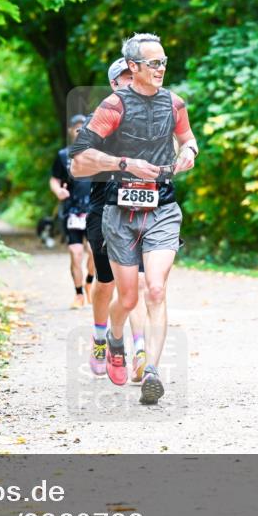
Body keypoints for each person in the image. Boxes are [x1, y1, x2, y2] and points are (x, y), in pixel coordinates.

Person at [70, 34, 199, 405]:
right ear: (133, 68)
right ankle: (113, 338)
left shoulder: (175, 103)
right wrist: (124, 164)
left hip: (162, 207)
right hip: (118, 210)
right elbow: (79, 161)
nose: (161, 69)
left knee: (155, 290)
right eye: (154, 63)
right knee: (126, 298)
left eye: (164, 62)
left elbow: (189, 138)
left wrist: (190, 151)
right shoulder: (112, 106)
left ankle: (153, 372)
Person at [85, 58, 150, 383]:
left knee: (136, 283)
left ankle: (140, 351)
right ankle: (100, 339)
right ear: (114, 84)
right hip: (103, 208)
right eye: (125, 79)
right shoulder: (103, 117)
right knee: (106, 282)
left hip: (139, 210)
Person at [50, 115, 96, 308]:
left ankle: (89, 281)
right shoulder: (63, 156)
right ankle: (78, 294)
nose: (79, 131)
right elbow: (54, 179)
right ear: (70, 131)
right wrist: (58, 190)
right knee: (75, 252)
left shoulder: (98, 154)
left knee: (94, 253)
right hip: (73, 211)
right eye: (75, 128)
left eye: (82, 127)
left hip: (94, 209)